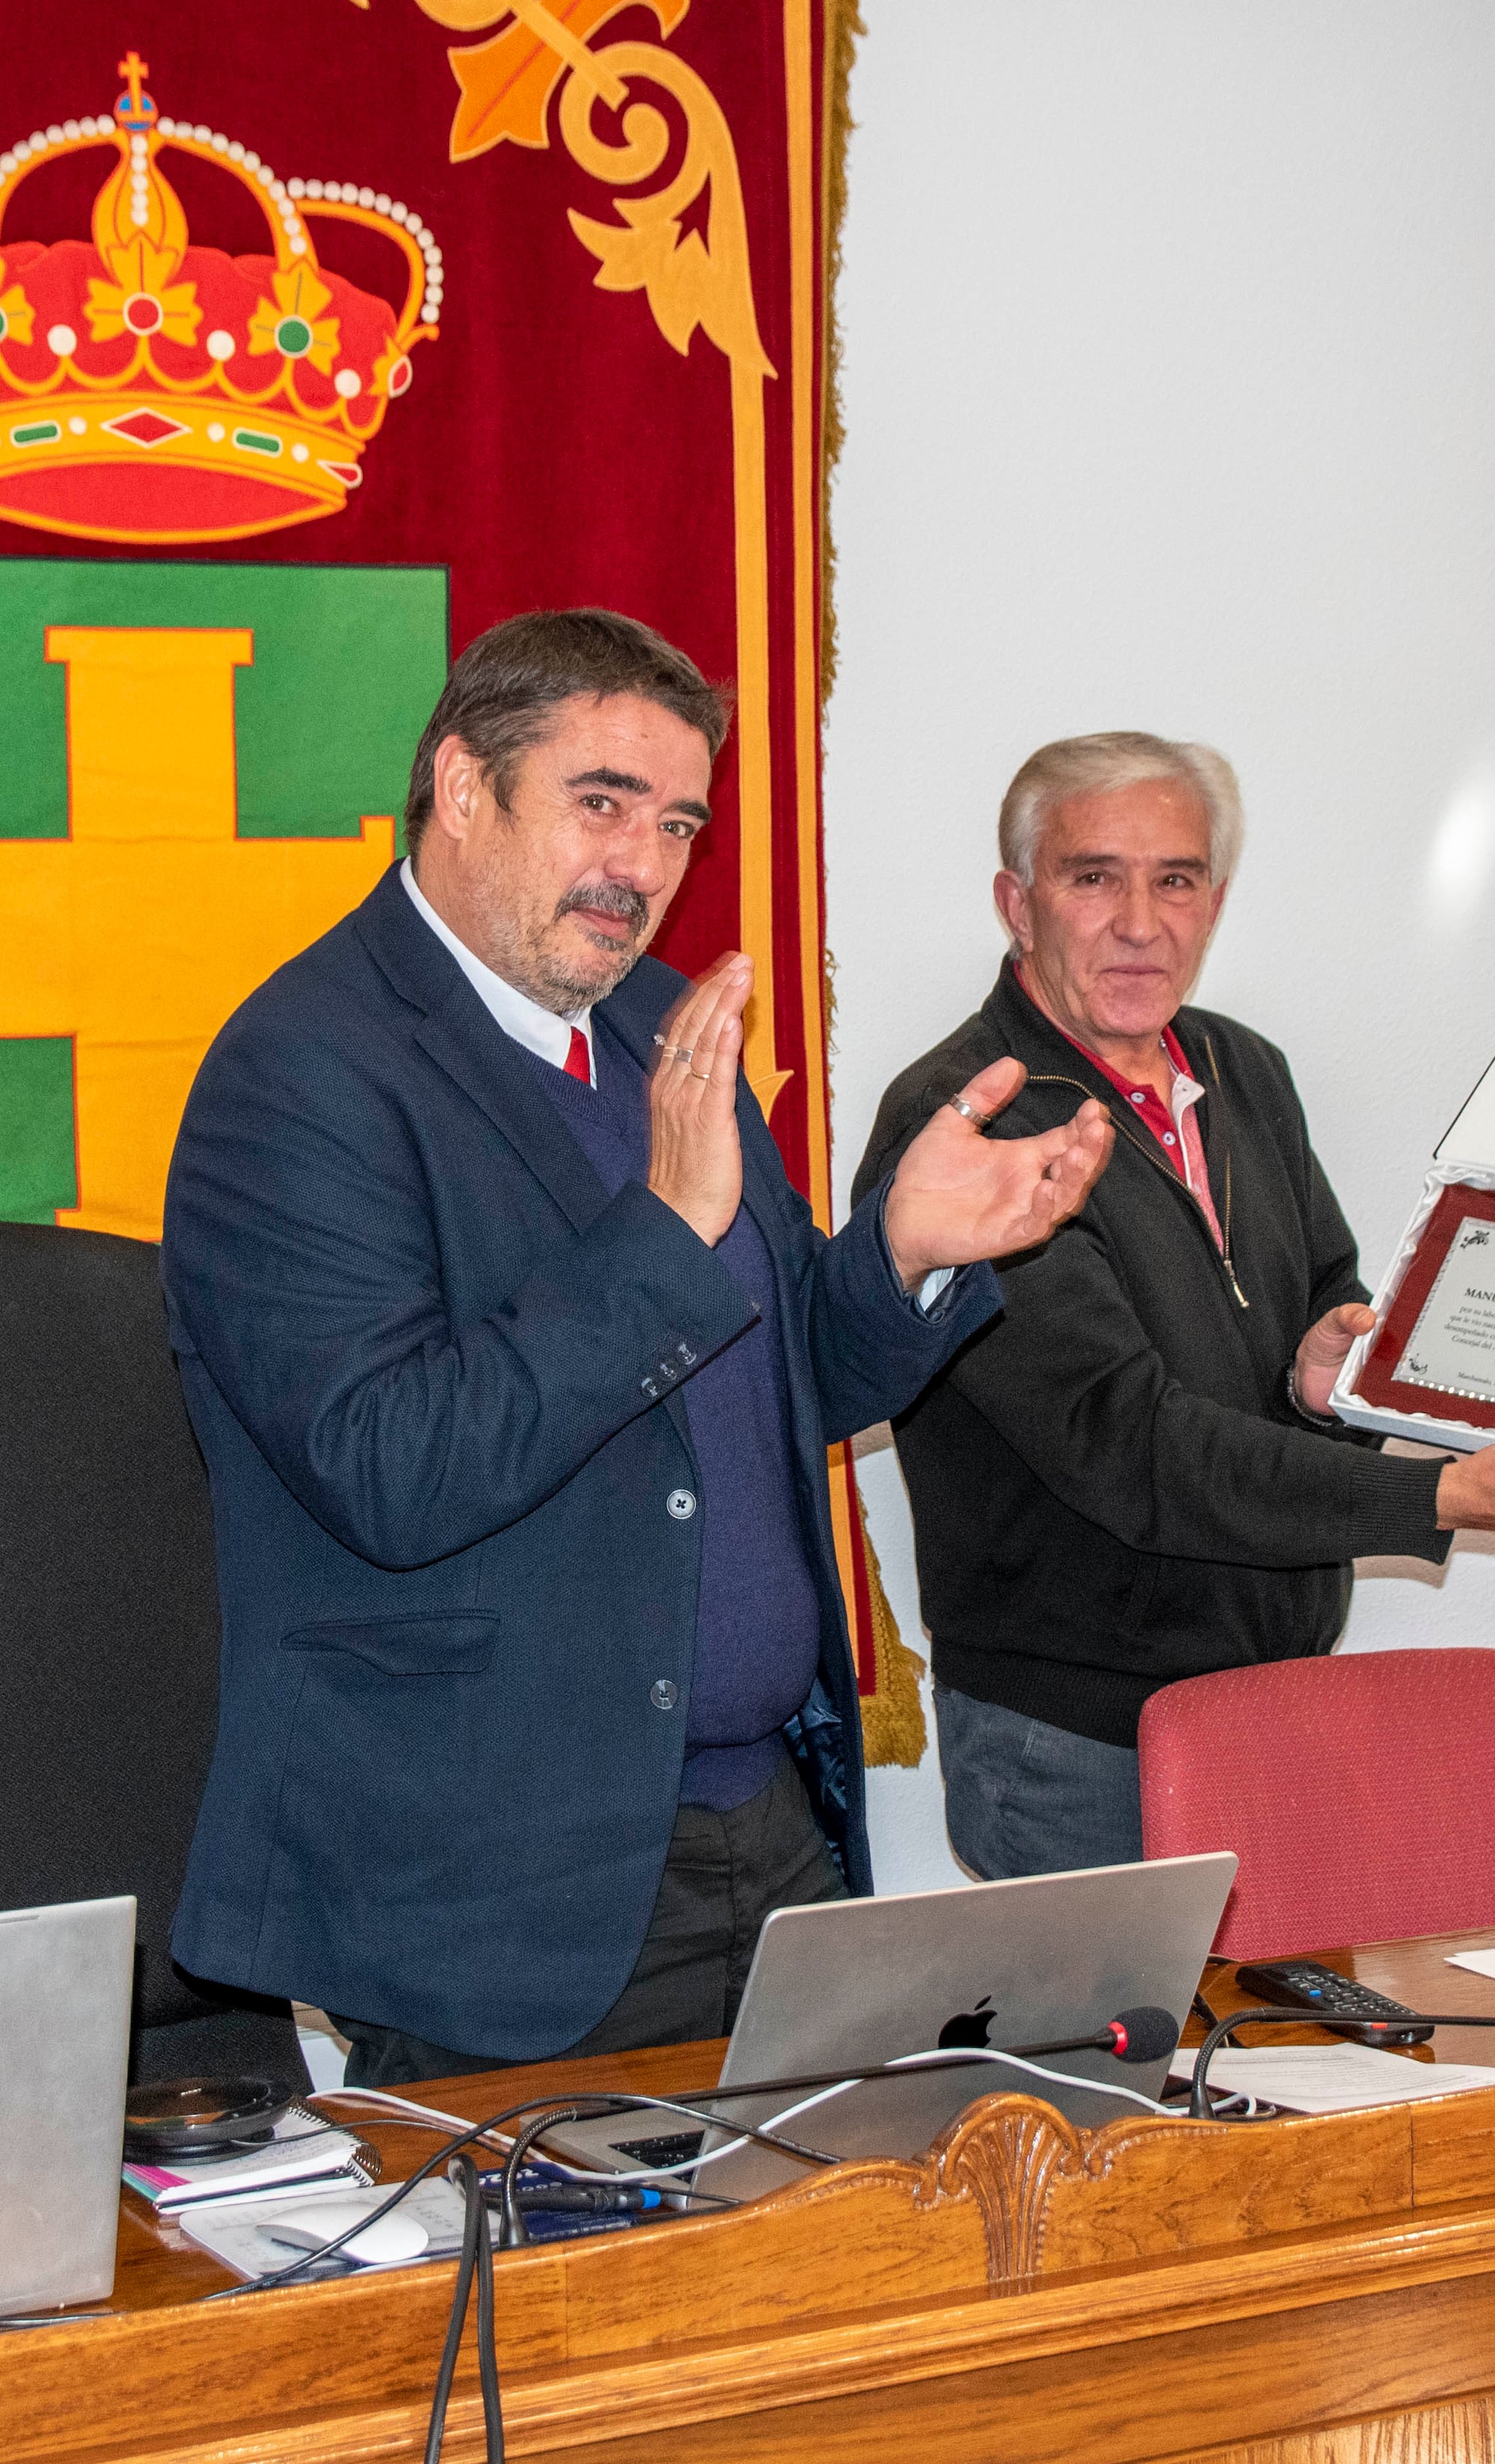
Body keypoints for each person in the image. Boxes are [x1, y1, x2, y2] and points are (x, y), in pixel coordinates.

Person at [160, 610, 1112, 2086]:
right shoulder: (301, 1074)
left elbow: (778, 1384)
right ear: (461, 786)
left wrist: (904, 1252)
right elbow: (391, 1469)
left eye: (677, 822)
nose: (647, 866)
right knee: (570, 2322)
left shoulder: (663, 1027)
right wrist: (663, 1235)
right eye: (601, 802)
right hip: (508, 1887)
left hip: (769, 1833)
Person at [859, 734, 1495, 1880]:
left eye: (1176, 879)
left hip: (1277, 1699)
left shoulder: (1246, 1071)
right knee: (1128, 2065)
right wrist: (1434, 1491)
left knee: (1287, 2057)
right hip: (1083, 1741)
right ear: (1018, 902)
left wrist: (1320, 1374)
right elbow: (1130, 1447)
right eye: (1094, 876)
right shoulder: (975, 1130)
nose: (1141, 920)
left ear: (1215, 901)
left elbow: (1324, 1292)